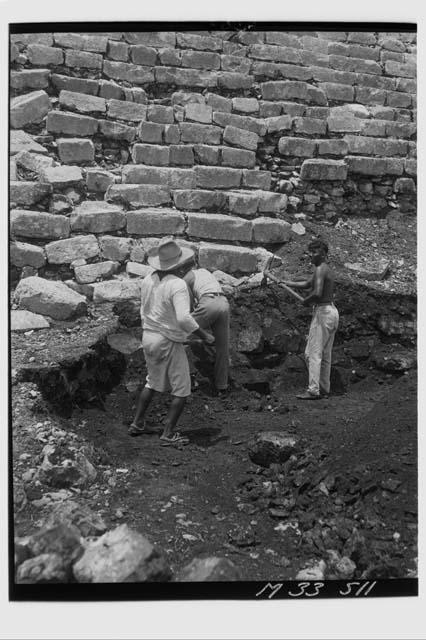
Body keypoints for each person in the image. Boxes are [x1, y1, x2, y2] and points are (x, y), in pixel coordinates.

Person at [129, 238, 214, 443]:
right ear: (181, 265)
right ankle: (168, 433)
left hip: (148, 336)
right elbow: (183, 318)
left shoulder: (149, 279)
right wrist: (204, 336)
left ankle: (137, 423)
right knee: (182, 388)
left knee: (152, 382)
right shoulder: (177, 285)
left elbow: (144, 309)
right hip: (167, 340)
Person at [281, 239, 339, 400]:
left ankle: (313, 390)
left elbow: (317, 293)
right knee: (325, 354)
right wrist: (285, 282)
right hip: (332, 312)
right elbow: (308, 284)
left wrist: (306, 302)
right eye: (311, 252)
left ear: (324, 254)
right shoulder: (324, 269)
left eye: (316, 252)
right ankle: (324, 388)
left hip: (323, 313)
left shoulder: (320, 269)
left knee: (312, 353)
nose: (312, 255)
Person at [179, 258, 230, 396]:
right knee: (222, 348)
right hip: (224, 303)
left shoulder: (185, 278)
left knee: (177, 335)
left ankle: (182, 380)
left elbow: (187, 311)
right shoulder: (205, 271)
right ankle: (222, 386)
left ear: (182, 269)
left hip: (208, 303)